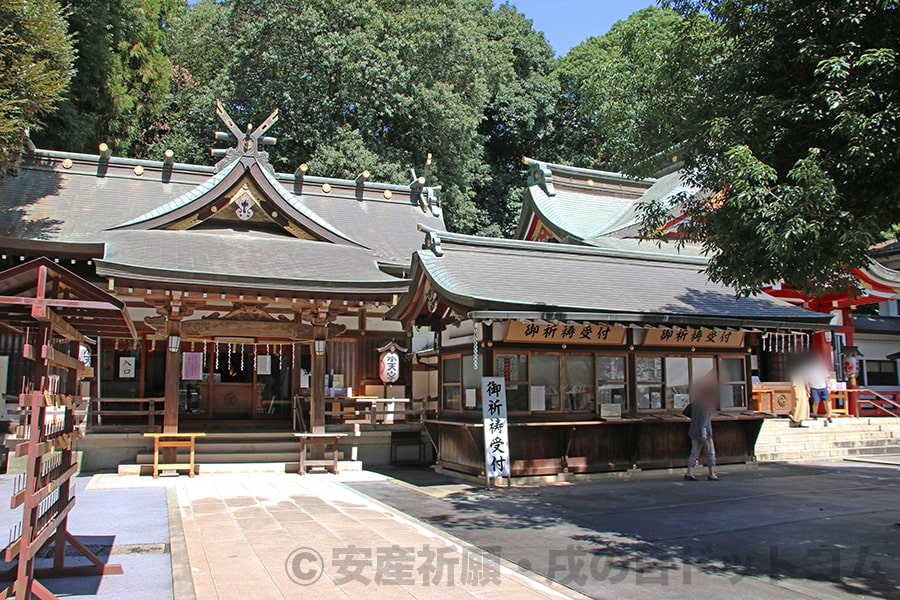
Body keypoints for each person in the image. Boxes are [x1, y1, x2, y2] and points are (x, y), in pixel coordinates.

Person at [685, 380, 718, 481]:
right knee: (710, 452)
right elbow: (703, 421)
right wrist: (704, 433)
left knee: (694, 452)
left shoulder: (695, 403)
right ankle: (711, 473)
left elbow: (687, 412)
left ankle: (689, 472)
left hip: (693, 431)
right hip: (705, 433)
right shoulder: (705, 406)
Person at [806, 355, 833, 423]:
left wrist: (828, 386)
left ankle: (829, 416)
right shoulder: (810, 369)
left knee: (826, 401)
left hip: (823, 386)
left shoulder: (823, 368)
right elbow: (807, 379)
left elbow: (826, 377)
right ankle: (815, 415)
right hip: (814, 387)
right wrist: (808, 388)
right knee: (816, 402)